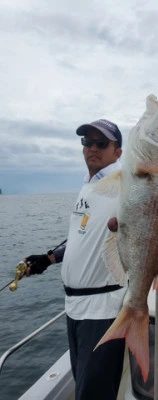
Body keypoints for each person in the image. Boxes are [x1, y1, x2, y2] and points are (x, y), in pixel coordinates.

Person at [23, 119, 127, 400]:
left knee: (94, 393)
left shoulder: (125, 184)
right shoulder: (89, 185)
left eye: (101, 143)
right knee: (85, 387)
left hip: (103, 310)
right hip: (75, 308)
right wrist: (49, 258)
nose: (92, 148)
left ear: (118, 152)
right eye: (87, 142)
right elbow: (81, 239)